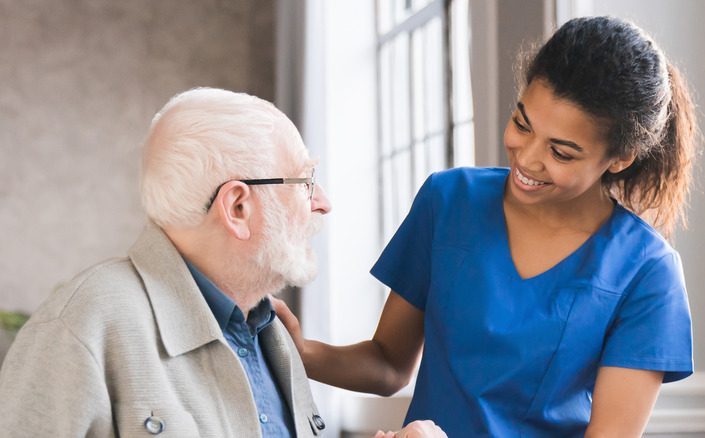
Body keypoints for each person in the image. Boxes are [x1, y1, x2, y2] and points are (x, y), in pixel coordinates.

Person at [275, 16, 697, 437]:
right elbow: (388, 363)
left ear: (621, 158)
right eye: (522, 124)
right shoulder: (449, 200)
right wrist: (302, 354)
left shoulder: (647, 271)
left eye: (562, 152)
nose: (528, 159)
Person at [0, 88, 445, 438]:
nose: (323, 203)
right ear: (237, 208)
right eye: (305, 181)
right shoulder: (81, 328)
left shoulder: (270, 333)